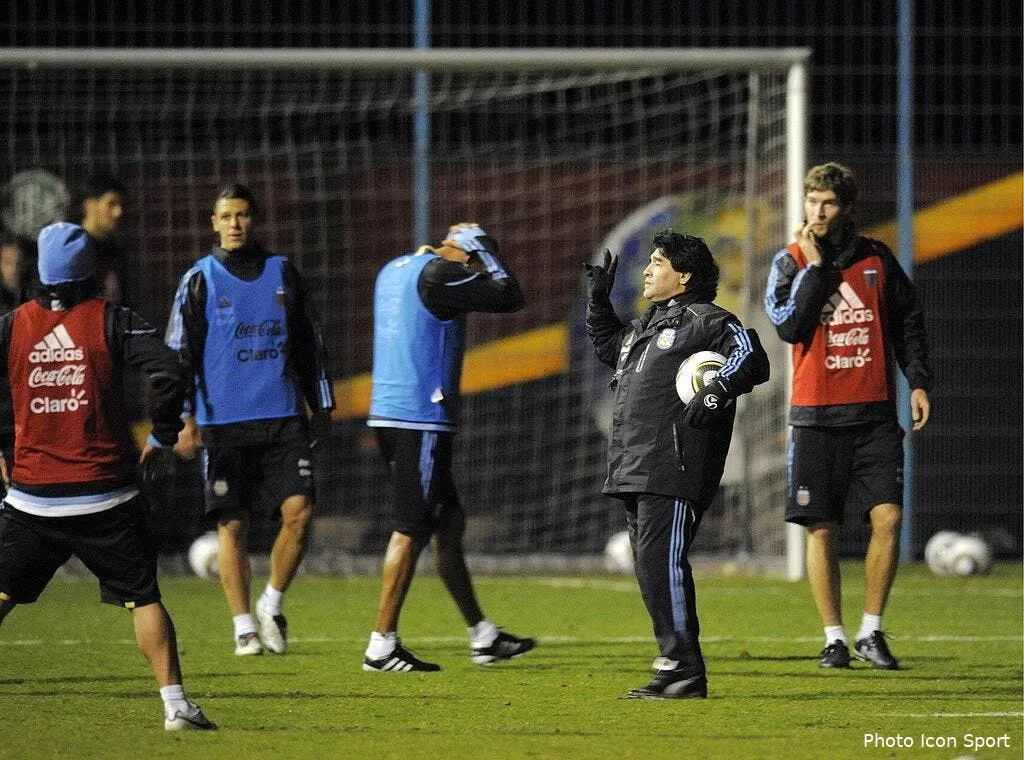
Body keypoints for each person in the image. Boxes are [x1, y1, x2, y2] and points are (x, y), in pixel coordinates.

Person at [0, 222, 215, 731]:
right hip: (106, 498)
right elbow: (171, 370)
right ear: (90, 270)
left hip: (32, 498)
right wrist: (163, 436)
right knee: (143, 597)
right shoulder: (112, 321)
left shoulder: (11, 326)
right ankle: (175, 705)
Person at [585, 229, 770, 699]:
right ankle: (675, 663)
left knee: (661, 563)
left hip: (673, 463)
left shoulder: (706, 319)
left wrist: (717, 388)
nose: (646, 270)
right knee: (650, 565)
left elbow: (751, 358)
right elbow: (612, 349)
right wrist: (598, 302)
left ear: (683, 275)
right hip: (634, 463)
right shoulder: (647, 327)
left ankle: (684, 668)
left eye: (657, 262)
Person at [764, 162, 932, 670]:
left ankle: (871, 632)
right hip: (815, 418)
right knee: (821, 530)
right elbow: (790, 327)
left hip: (874, 416)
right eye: (811, 201)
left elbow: (907, 321)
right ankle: (833, 638)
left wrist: (919, 381)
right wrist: (816, 269)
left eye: (827, 203)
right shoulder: (790, 262)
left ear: (846, 208)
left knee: (890, 518)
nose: (817, 211)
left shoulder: (877, 258)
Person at [165, 184, 334, 657]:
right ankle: (243, 626)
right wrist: (183, 418)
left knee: (299, 513)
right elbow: (179, 355)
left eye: (242, 215)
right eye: (226, 215)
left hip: (281, 415)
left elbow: (310, 344)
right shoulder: (199, 280)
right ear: (214, 222)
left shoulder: (283, 272)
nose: (235, 223)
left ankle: (271, 602)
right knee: (233, 524)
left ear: (254, 220)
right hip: (224, 423)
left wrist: (321, 406)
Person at [364, 222, 535, 672]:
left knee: (448, 521)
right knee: (412, 527)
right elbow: (509, 295)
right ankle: (381, 644)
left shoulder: (395, 268)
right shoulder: (441, 274)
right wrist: (485, 254)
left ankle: (482, 635)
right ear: (466, 254)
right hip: (418, 418)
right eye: (474, 263)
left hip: (389, 411)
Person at [75, 174, 129, 306]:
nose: (118, 212)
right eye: (111, 204)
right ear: (89, 205)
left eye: (120, 204)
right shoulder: (72, 250)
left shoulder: (116, 250)